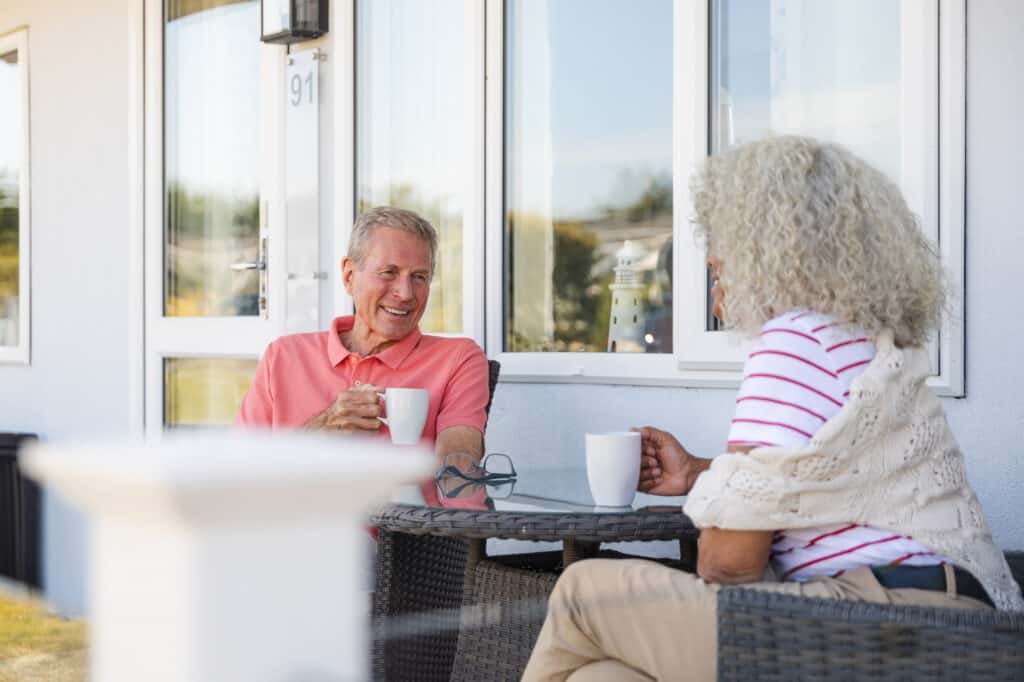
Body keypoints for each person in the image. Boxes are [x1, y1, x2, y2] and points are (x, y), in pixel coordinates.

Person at [523, 136, 1024, 682]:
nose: (714, 272)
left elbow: (727, 563)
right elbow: (827, 475)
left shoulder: (795, 337)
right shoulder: (865, 340)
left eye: (720, 255)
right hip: (953, 619)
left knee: (581, 591)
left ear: (768, 244)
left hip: (881, 621)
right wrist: (699, 473)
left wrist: (725, 501)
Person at [236, 206, 490, 464]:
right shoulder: (283, 355)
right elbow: (240, 464)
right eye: (388, 273)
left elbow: (459, 458)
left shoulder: (458, 359)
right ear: (349, 276)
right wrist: (321, 431)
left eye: (419, 277)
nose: (406, 293)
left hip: (410, 505)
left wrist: (457, 464)